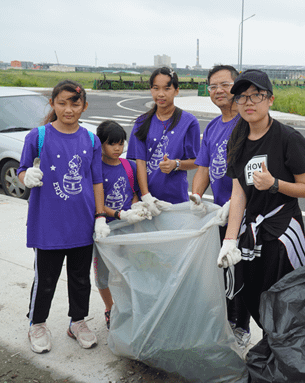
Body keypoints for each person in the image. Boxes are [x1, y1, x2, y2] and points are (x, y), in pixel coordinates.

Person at [17, 80, 109, 354]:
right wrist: (26, 177)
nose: (68, 109)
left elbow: (96, 181)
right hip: (48, 225)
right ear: (53, 104)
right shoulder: (38, 136)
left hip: (82, 224)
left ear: (84, 106)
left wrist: (100, 216)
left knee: (81, 279)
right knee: (45, 279)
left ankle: (77, 322)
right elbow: (22, 170)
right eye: (62, 103)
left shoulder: (91, 140)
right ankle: (37, 323)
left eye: (75, 103)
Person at [216, 69, 305, 328]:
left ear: (270, 99)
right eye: (242, 97)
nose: (249, 102)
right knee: (254, 296)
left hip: (283, 231)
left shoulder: (288, 138)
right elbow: (239, 194)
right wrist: (229, 240)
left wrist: (275, 184)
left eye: (256, 95)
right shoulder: (236, 141)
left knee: (283, 301)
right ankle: (266, 346)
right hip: (252, 231)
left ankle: (279, 355)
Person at [190, 65, 252, 350]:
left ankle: (241, 326)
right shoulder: (213, 126)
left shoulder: (248, 122)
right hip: (219, 213)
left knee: (241, 273)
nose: (218, 91)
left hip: (246, 213)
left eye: (224, 85)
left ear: (237, 86)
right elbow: (204, 167)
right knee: (221, 271)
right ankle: (226, 320)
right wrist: (195, 197)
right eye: (213, 86)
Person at [94, 120, 148, 329]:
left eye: (121, 143)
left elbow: (134, 193)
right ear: (100, 144)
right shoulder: (96, 167)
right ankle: (110, 308)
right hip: (104, 231)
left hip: (127, 230)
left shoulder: (129, 166)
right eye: (112, 144)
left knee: (129, 270)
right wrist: (119, 214)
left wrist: (134, 209)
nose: (118, 148)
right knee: (103, 275)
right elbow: (95, 201)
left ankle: (129, 307)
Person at [127, 67, 200, 211]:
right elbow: (140, 162)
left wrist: (175, 164)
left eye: (167, 89)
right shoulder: (141, 123)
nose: (160, 94)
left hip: (177, 201)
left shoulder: (189, 122)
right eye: (156, 88)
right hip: (148, 201)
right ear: (151, 89)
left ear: (176, 91)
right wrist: (146, 196)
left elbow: (196, 162)